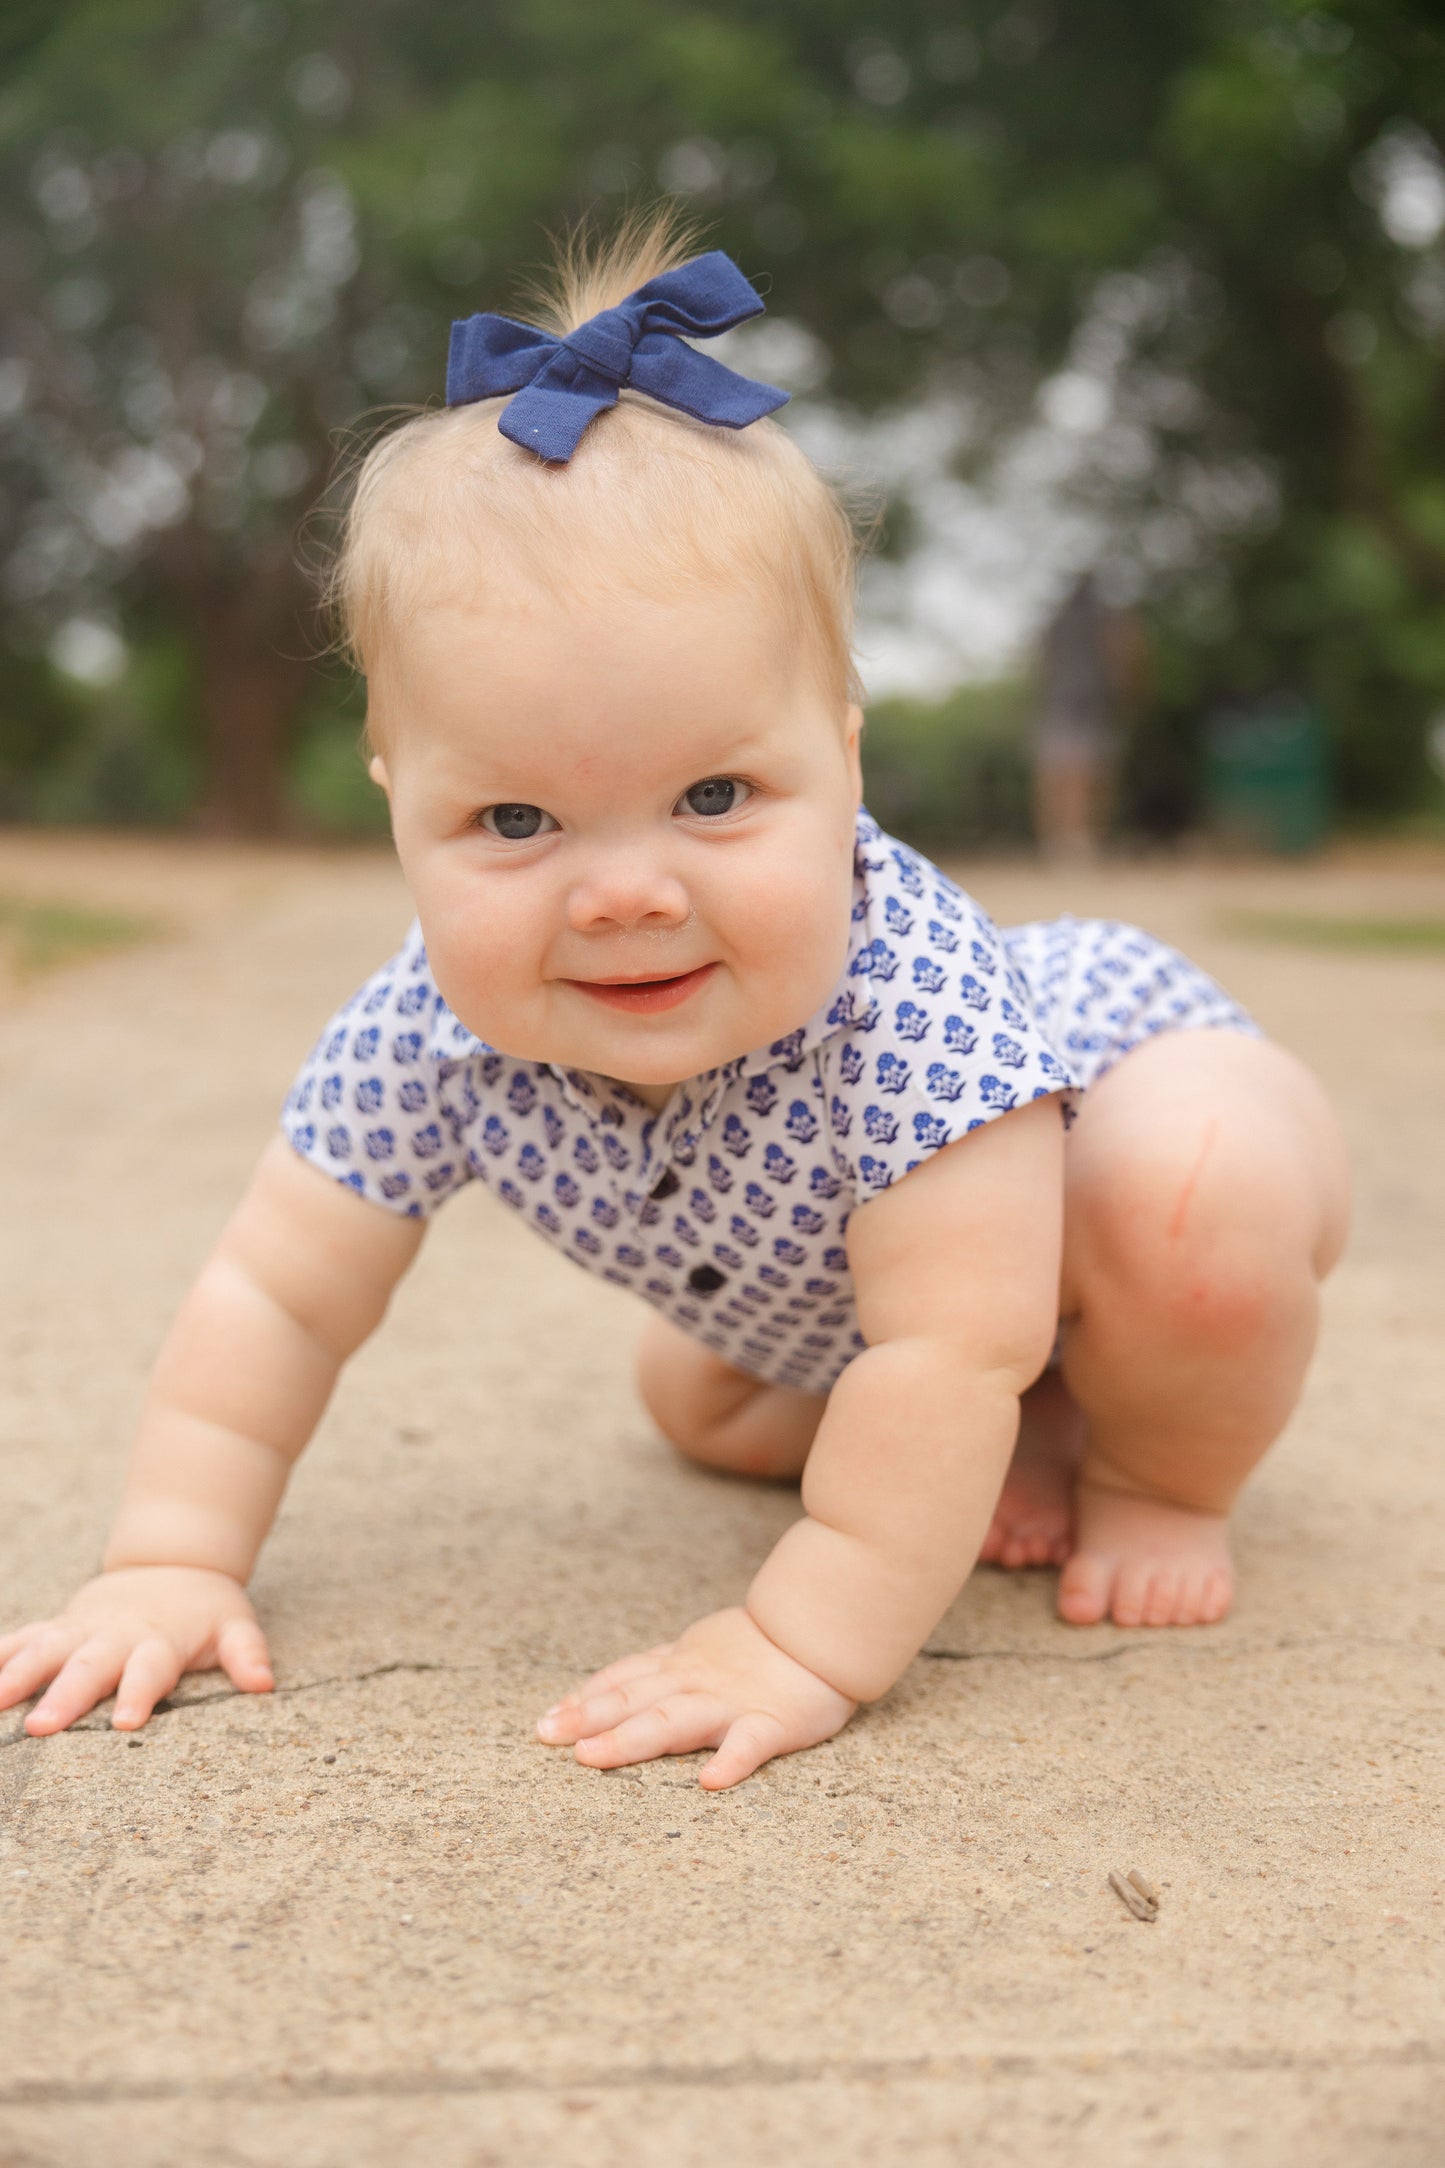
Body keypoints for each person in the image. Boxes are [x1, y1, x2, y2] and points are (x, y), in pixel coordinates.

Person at [0, 215, 1350, 1791]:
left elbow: (943, 1351)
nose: (623, 892)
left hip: (1118, 1108)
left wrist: (801, 1637)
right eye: (514, 824)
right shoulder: (423, 1031)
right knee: (702, 1403)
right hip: (856, 1303)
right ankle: (1041, 1432)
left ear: (842, 758)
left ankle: (1148, 1466)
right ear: (396, 801)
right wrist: (169, 1554)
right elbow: (278, 1300)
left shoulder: (910, 998)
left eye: (713, 794)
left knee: (1193, 1216)